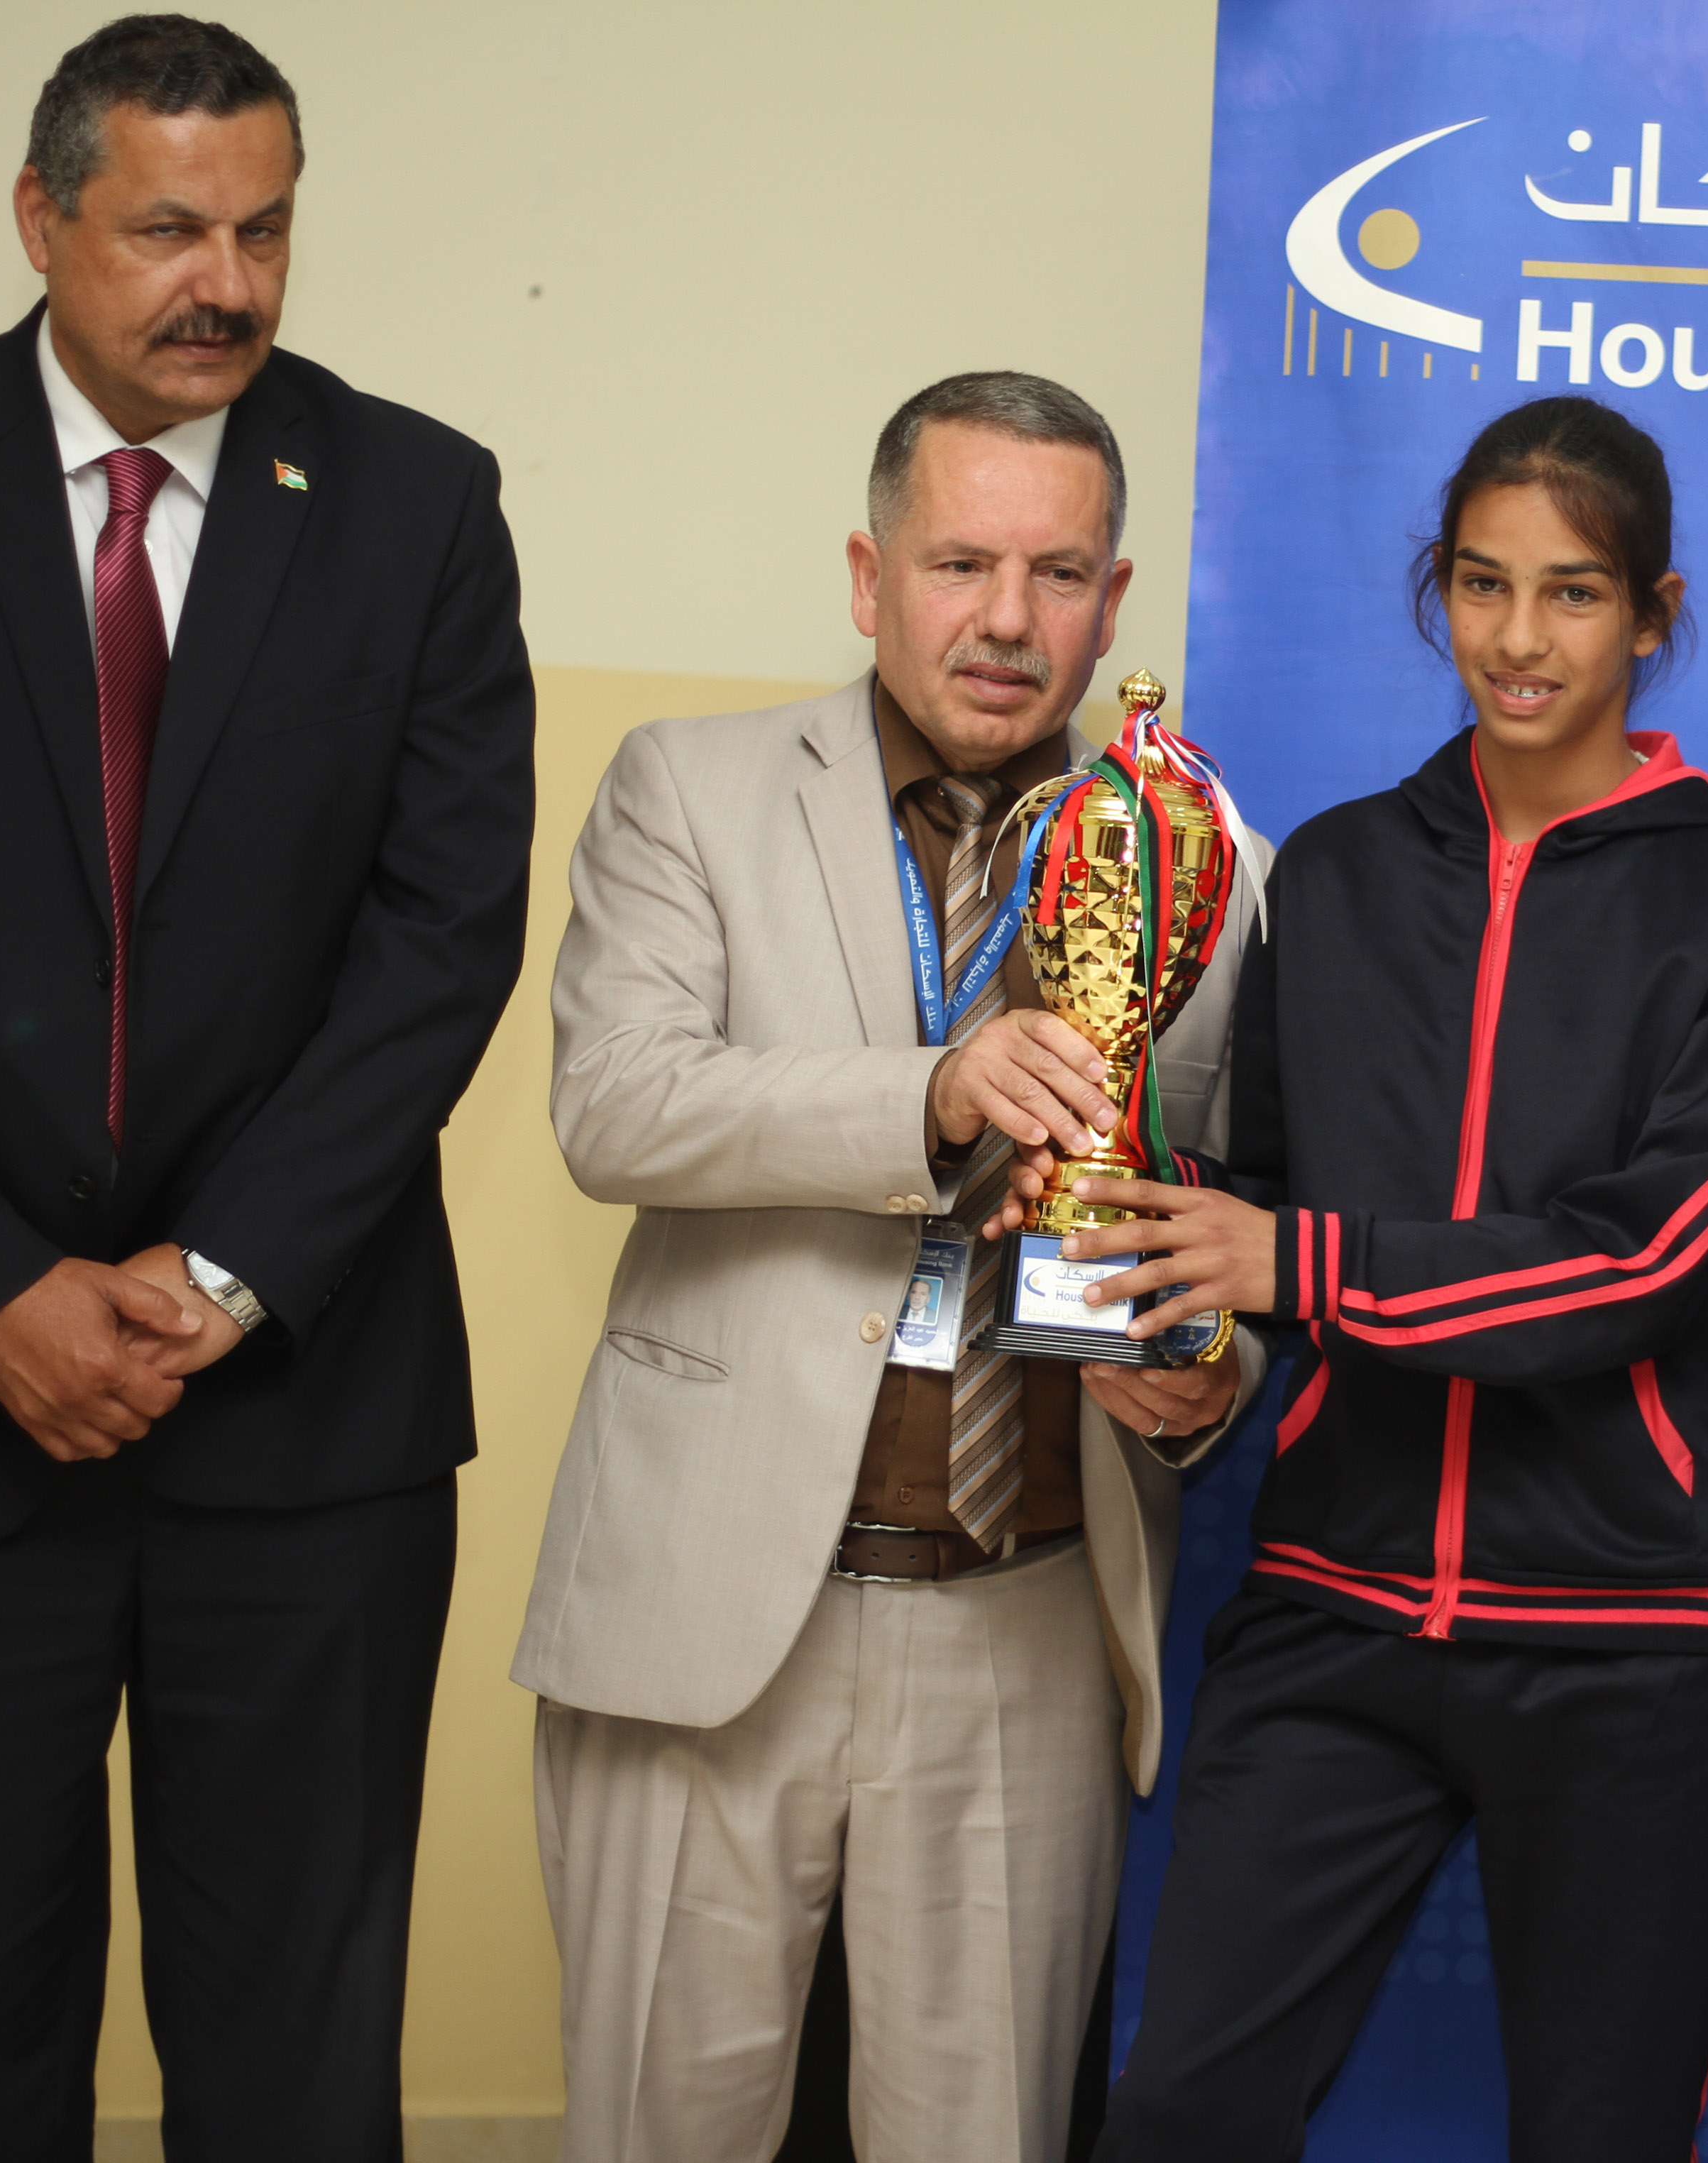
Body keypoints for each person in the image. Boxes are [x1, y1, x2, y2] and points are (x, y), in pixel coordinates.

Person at [0, 16, 534, 2157]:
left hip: (306, 1422)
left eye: (264, 230)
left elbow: (443, 938)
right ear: (40, 219)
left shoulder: (416, 501)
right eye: (166, 231)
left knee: (298, 2067)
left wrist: (220, 1274)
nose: (225, 283)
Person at [1061, 397, 1708, 2161]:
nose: (1518, 637)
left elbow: (1641, 1262)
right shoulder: (1330, 870)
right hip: (1339, 1600)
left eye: (1573, 592)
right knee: (1179, 2112)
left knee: (1599, 2136)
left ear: (1652, 613)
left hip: (1633, 1642)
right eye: (1482, 584)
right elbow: (1260, 1194)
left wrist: (1296, 1262)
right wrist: (1188, 1340)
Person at [517, 370, 1267, 2163]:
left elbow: (1230, 1213)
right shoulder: (689, 788)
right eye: (958, 564)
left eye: (1058, 574)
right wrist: (932, 1092)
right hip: (710, 1619)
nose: (1008, 618)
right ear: (869, 579)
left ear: (1112, 599)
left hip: (1024, 1622)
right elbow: (616, 1106)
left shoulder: (1204, 861)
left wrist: (1200, 1382)